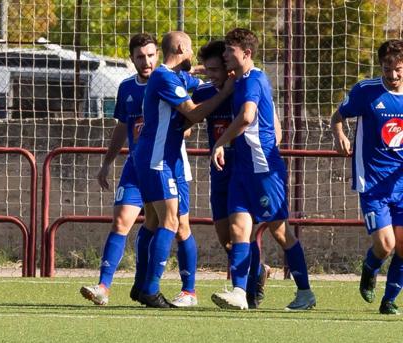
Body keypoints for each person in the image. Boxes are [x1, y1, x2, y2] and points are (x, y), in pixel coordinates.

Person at [79, 33, 198, 308]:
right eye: (140, 57)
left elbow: (190, 120)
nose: (146, 61)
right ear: (132, 59)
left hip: (168, 163)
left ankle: (187, 290)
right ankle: (104, 287)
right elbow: (122, 127)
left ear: (158, 54)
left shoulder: (172, 79)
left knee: (179, 226)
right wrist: (108, 162)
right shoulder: (127, 88)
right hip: (137, 165)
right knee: (122, 221)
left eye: (150, 55)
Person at [210, 28, 316, 310]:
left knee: (281, 233)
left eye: (229, 51)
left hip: (263, 171)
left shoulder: (254, 80)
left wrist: (221, 142)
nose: (224, 56)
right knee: (238, 229)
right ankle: (239, 292)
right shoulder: (243, 80)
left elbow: (247, 116)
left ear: (246, 53)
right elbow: (274, 124)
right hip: (243, 171)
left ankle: (305, 292)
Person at [133, 31, 234, 308]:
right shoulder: (163, 76)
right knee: (169, 222)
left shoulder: (177, 76)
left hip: (170, 159)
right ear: (180, 47)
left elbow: (199, 78)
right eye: (189, 49)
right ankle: (150, 289)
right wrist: (226, 91)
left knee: (159, 222)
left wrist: (222, 72)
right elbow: (194, 112)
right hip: (157, 159)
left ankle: (149, 285)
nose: (192, 54)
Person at [192, 40, 271, 309]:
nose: (211, 74)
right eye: (208, 70)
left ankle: (245, 289)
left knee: (240, 232)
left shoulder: (246, 87)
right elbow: (186, 110)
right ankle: (258, 269)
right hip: (219, 171)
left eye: (216, 69)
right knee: (225, 237)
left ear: (229, 68)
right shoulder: (208, 92)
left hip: (243, 168)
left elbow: (266, 120)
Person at [331, 39, 403, 315]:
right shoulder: (366, 91)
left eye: (398, 69)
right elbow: (338, 116)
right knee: (385, 245)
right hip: (373, 182)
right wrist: (340, 135)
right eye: (387, 69)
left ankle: (390, 300)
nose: (393, 75)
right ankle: (370, 267)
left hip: (401, 183)